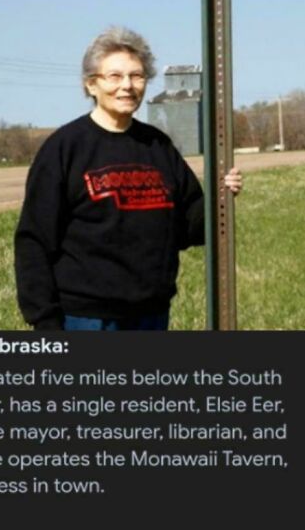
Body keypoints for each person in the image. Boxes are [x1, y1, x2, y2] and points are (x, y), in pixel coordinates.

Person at [14, 26, 242, 331]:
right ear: (91, 84)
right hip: (86, 318)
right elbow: (34, 240)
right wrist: (44, 320)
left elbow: (189, 227)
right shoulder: (64, 148)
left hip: (151, 314)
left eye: (137, 76)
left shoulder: (158, 146)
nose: (127, 86)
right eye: (115, 76)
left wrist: (221, 196)